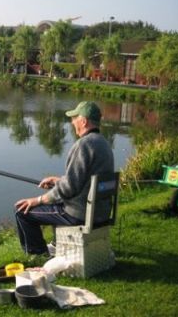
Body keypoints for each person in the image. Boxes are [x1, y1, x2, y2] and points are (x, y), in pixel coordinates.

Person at [14, 101, 114, 256]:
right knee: (56, 199)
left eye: (74, 118)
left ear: (83, 121)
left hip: (80, 215)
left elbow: (69, 189)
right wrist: (58, 181)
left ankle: (38, 254)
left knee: (22, 212)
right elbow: (82, 180)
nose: (72, 122)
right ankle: (56, 244)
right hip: (100, 213)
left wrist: (38, 200)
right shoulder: (103, 143)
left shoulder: (84, 145)